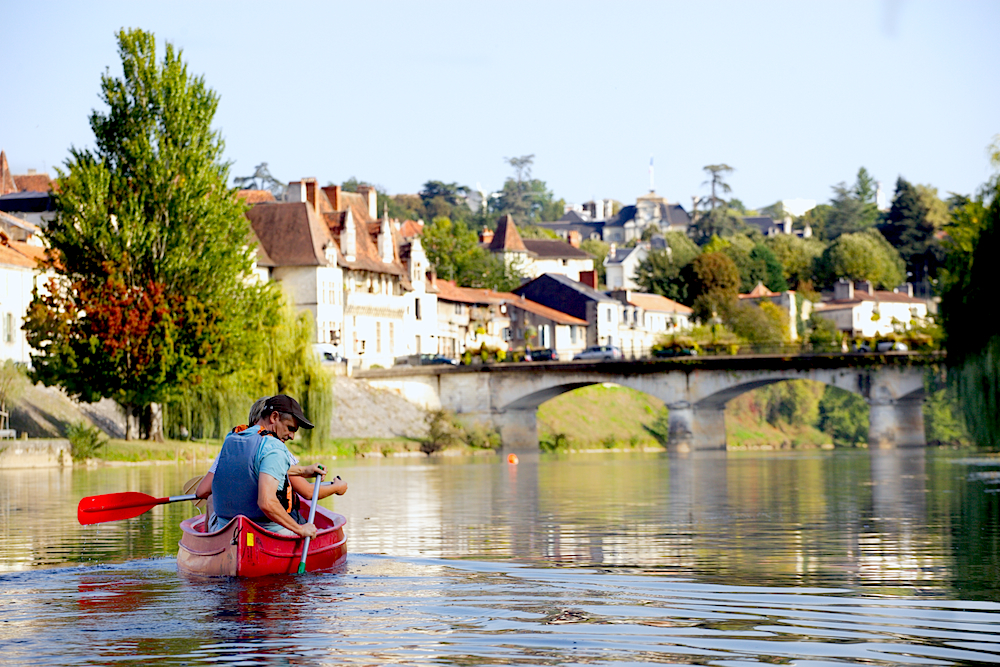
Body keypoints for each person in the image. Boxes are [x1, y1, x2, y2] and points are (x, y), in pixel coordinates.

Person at [195, 397, 348, 526]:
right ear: (273, 417)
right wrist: (337, 487)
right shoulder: (274, 447)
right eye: (290, 428)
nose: (292, 436)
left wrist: (302, 470)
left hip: (230, 522)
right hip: (263, 523)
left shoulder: (233, 441)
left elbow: (202, 491)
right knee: (306, 524)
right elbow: (307, 492)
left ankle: (209, 542)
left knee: (211, 500)